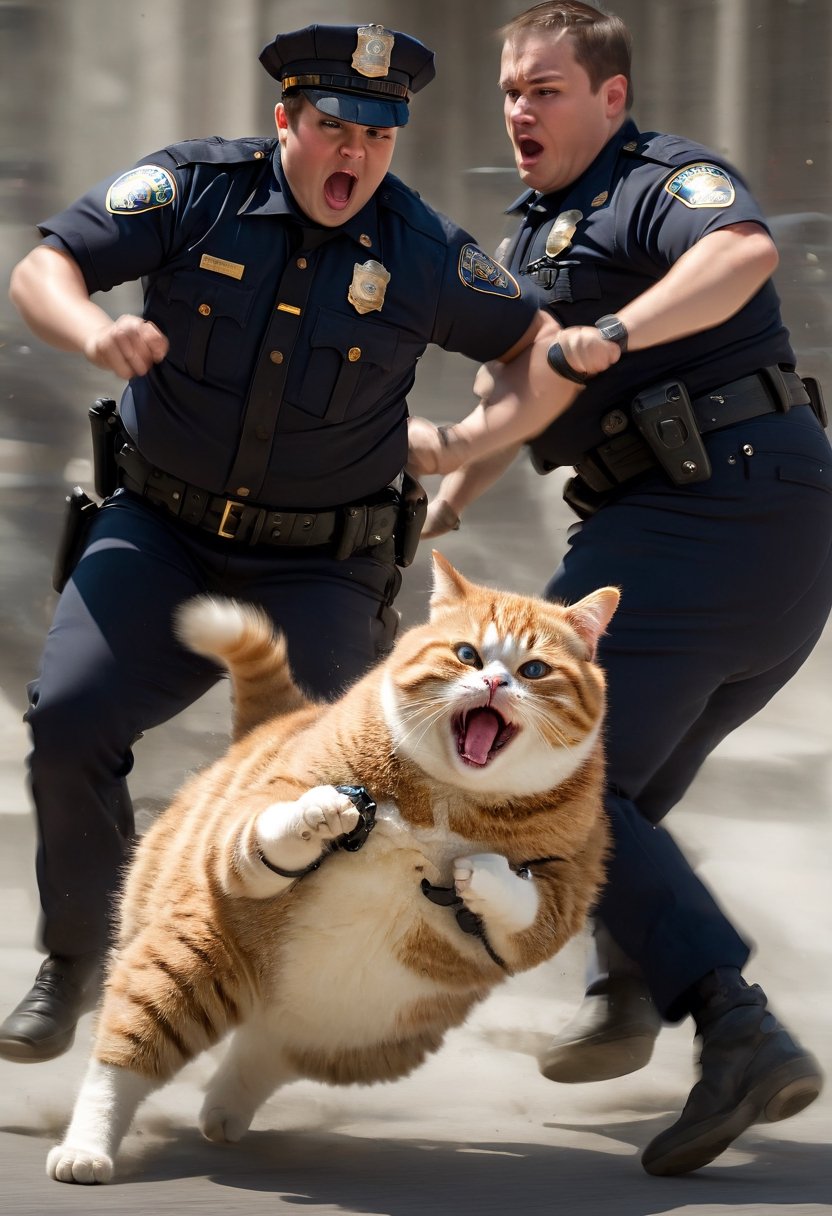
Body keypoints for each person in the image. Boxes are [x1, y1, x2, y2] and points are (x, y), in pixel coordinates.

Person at [0, 22, 569, 1067]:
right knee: (71, 718)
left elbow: (539, 350)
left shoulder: (425, 252)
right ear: (285, 122)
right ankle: (79, 961)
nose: (354, 152)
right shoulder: (191, 192)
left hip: (320, 566)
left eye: (378, 133)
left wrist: (472, 439)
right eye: (332, 126)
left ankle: (266, 996)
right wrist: (93, 334)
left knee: (336, 799)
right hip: (161, 534)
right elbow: (50, 264)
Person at [407, 0, 832, 1178]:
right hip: (730, 526)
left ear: (610, 96)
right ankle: (628, 989)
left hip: (715, 510)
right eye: (508, 91)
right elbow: (528, 386)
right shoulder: (538, 234)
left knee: (551, 781)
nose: (519, 110)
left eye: (544, 89)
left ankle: (733, 1028)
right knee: (610, 785)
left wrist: (621, 333)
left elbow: (741, 254)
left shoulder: (660, 181)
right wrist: (447, 481)